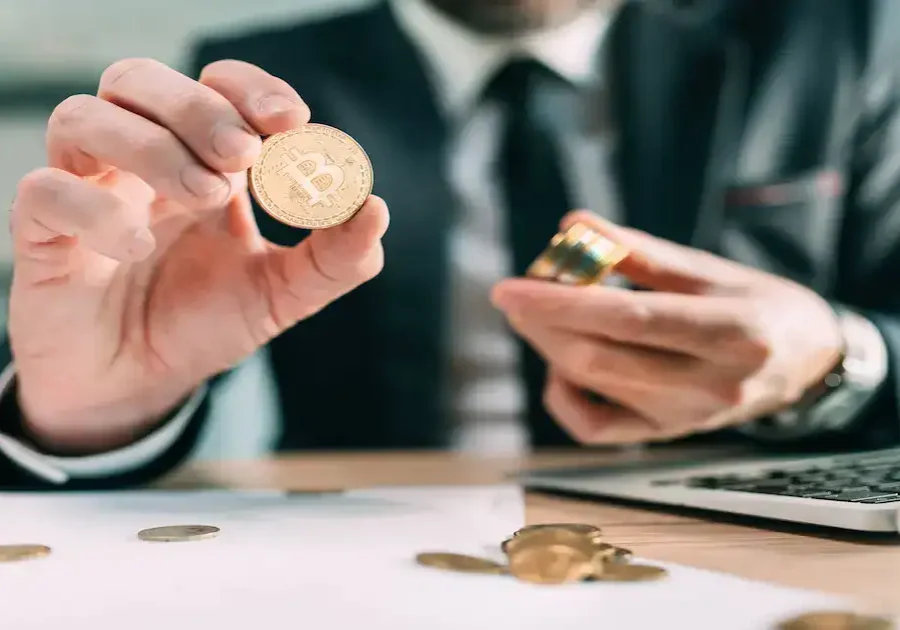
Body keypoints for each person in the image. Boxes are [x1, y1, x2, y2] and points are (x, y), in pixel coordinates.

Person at [1, 0, 899, 489]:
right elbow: (148, 332)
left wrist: (838, 361)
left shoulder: (837, 35)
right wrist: (88, 417)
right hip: (367, 564)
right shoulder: (269, 78)